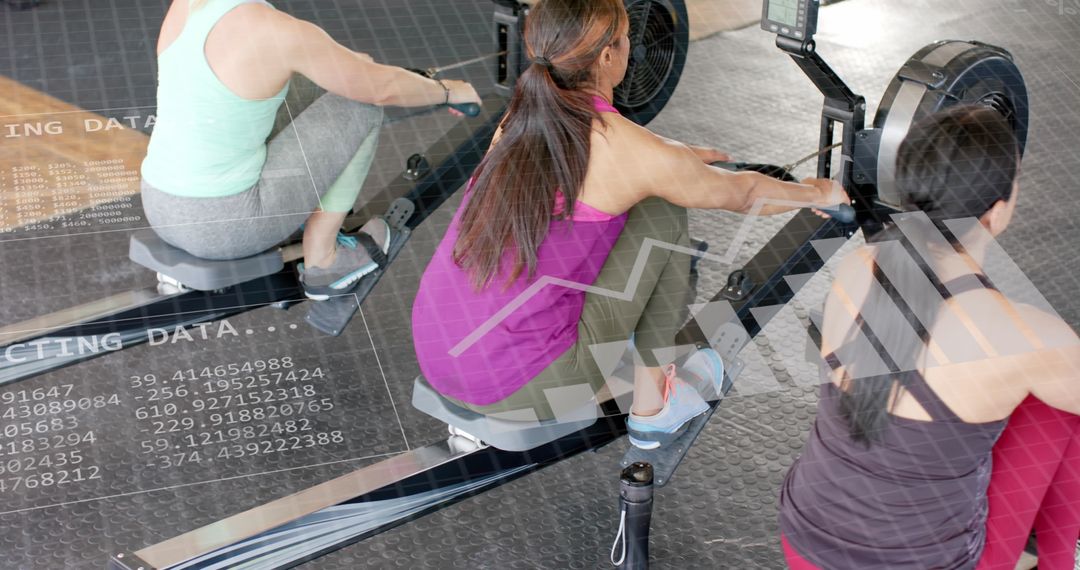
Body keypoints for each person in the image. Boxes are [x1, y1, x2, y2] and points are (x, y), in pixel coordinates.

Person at [411, 0, 847, 450]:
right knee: (662, 208)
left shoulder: (518, 120)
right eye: (625, 37)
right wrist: (819, 193)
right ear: (606, 57)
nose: (630, 46)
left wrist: (672, 155)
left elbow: (610, 159)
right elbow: (748, 195)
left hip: (437, 353)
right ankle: (654, 406)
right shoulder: (627, 150)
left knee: (626, 206)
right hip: (523, 383)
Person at [778, 105, 1080, 569]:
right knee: (1058, 408)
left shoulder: (860, 267)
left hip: (804, 546)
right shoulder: (1026, 337)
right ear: (996, 213)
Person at [140, 0, 481, 299]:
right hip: (227, 225)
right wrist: (448, 90)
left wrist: (368, 72)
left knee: (329, 80)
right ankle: (324, 260)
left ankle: (299, 216)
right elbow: (379, 89)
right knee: (357, 102)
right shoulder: (276, 30)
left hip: (159, 205)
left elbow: (348, 67)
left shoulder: (189, 6)